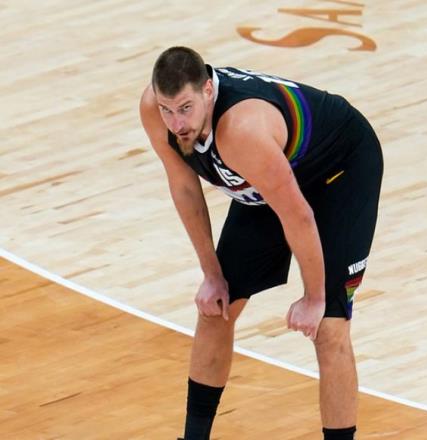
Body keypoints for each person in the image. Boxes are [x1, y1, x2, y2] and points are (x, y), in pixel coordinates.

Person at [140, 46, 383, 440]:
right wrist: (212, 274)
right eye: (168, 110)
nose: (176, 123)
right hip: (271, 176)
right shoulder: (155, 110)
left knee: (329, 327)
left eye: (185, 108)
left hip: (339, 170)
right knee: (215, 309)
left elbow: (299, 215)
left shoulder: (240, 130)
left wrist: (314, 297)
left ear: (207, 90)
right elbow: (183, 186)